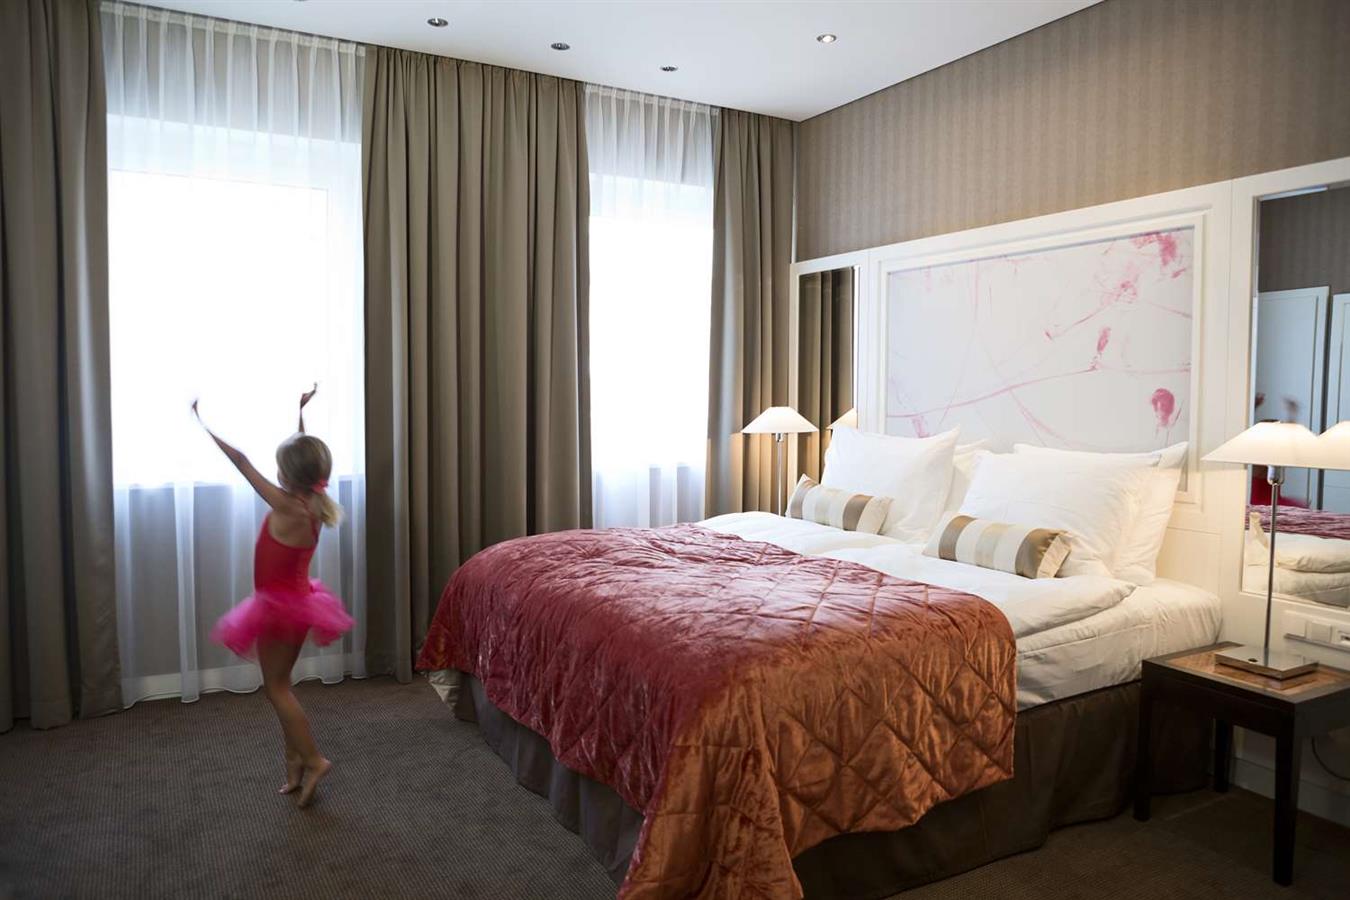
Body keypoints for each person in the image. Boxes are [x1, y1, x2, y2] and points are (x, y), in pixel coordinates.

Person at [194, 384, 353, 807]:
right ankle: (294, 764)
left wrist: (202, 423)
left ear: (286, 477)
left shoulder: (285, 505)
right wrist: (300, 415)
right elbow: (304, 457)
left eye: (280, 468)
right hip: (299, 605)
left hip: (278, 609)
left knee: (277, 688)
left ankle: (315, 759)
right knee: (281, 685)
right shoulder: (313, 503)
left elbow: (242, 461)